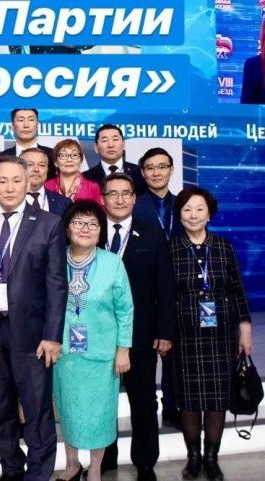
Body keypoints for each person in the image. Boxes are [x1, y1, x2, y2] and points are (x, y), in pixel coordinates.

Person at [0, 155, 67, 481]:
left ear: (28, 183)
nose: (10, 187)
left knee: (37, 409)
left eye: (17, 180)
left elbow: (57, 284)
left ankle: (38, 474)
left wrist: (53, 335)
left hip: (32, 334)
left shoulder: (48, 223)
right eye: (2, 181)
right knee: (0, 409)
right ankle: (11, 469)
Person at [170, 187, 253, 481]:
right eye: (187, 209)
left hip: (221, 335)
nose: (193, 215)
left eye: (199, 209)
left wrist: (245, 329)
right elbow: (163, 296)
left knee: (217, 399)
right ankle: (193, 458)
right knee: (189, 400)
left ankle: (211, 458)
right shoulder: (170, 249)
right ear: (179, 214)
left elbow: (238, 290)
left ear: (209, 214)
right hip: (185, 336)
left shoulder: (224, 247)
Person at [100, 173, 175, 481]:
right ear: (102, 199)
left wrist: (165, 331)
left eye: (125, 194)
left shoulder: (152, 233)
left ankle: (145, 461)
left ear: (134, 198)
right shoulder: (91, 232)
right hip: (99, 334)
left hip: (141, 334)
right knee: (102, 402)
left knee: (143, 400)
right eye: (112, 193)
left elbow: (165, 286)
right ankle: (105, 458)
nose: (119, 199)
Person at [53, 200, 133, 481]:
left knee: (100, 413)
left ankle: (96, 467)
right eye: (78, 223)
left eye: (92, 224)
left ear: (101, 231)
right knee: (68, 409)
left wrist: (123, 349)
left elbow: (125, 310)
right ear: (67, 229)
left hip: (102, 354)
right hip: (64, 353)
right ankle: (72, 463)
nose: (84, 229)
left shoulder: (112, 263)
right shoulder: (54, 260)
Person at [134, 147, 183, 429]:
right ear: (142, 172)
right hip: (143, 290)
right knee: (145, 356)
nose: (156, 172)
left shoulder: (183, 204)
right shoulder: (134, 204)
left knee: (175, 353)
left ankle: (172, 405)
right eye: (150, 168)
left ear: (171, 170)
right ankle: (148, 407)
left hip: (179, 288)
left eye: (162, 167)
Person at [83, 124, 147, 196]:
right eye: (105, 140)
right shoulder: (85, 178)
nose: (111, 145)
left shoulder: (140, 173)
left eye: (115, 139)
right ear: (96, 147)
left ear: (123, 144)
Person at [43, 139, 101, 204]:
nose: (69, 159)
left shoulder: (92, 187)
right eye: (63, 155)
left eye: (74, 155)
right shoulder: (46, 186)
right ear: (55, 162)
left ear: (81, 160)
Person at [20, 147, 72, 216]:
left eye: (42, 165)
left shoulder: (65, 203)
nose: (36, 169)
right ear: (18, 168)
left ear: (47, 169)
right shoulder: (8, 199)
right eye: (30, 164)